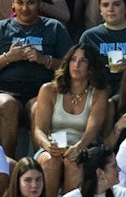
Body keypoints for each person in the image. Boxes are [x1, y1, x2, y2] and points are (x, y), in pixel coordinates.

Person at [0, 0, 74, 155]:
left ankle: (41, 164)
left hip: (42, 92)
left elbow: (73, 66)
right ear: (12, 3)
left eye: (30, 3)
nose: (25, 8)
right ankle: (8, 167)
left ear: (39, 3)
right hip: (5, 91)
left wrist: (45, 60)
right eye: (20, 3)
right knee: (7, 105)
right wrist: (8, 57)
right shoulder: (0, 29)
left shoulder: (54, 27)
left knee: (38, 107)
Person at [32, 43, 109, 196]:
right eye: (73, 60)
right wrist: (47, 145)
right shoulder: (48, 90)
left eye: (83, 61)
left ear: (91, 66)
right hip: (52, 146)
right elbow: (39, 130)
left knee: (75, 163)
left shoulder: (99, 93)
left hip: (83, 146)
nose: (77, 65)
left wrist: (79, 147)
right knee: (51, 162)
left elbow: (92, 131)